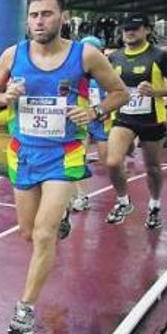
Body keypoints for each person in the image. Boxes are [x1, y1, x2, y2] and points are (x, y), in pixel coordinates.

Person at [0, 0, 128, 334]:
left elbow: (120, 92)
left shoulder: (85, 54)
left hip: (65, 152)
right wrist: (5, 97)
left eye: (47, 14)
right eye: (33, 15)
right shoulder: (12, 54)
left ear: (63, 17)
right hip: (23, 152)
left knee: (44, 235)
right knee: (28, 233)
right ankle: (58, 217)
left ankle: (25, 308)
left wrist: (94, 111)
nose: (39, 21)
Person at [103, 14, 167, 228]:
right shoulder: (115, 57)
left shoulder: (160, 56)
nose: (129, 32)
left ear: (147, 30)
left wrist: (155, 91)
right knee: (112, 162)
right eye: (125, 29)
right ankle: (123, 201)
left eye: (135, 28)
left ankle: (155, 204)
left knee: (153, 168)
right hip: (123, 118)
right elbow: (110, 88)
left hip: (151, 119)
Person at [71, 36, 111, 212]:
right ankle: (81, 196)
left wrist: (106, 110)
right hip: (84, 121)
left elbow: (118, 93)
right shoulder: (77, 71)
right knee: (79, 159)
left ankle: (120, 193)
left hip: (102, 120)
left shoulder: (105, 71)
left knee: (109, 161)